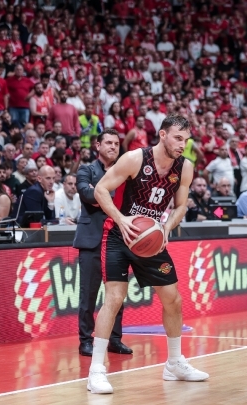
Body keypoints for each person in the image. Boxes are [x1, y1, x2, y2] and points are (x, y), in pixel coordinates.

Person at [89, 115, 209, 394]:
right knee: (114, 298)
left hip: (150, 238)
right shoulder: (134, 159)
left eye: (186, 140)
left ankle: (174, 363)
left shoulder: (184, 167)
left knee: (173, 299)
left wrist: (167, 227)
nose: (182, 145)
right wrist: (120, 219)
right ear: (162, 135)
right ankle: (96, 371)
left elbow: (181, 205)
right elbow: (101, 189)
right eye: (178, 138)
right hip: (119, 236)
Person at [74, 129, 131, 357]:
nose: (113, 147)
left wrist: (101, 194)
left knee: (117, 295)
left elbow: (126, 202)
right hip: (92, 241)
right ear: (98, 146)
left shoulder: (125, 173)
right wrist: (107, 197)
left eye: (116, 143)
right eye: (108, 142)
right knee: (88, 295)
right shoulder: (86, 170)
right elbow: (87, 195)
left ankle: (114, 340)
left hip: (117, 240)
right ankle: (86, 340)